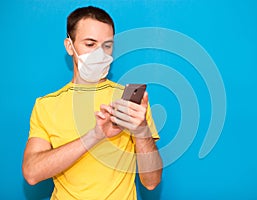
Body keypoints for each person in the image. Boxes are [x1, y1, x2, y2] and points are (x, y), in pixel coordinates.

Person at [22, 6, 162, 200]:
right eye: (90, 44)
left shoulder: (130, 102)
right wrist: (95, 136)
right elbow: (31, 173)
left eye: (107, 45)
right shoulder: (46, 105)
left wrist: (142, 130)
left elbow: (151, 181)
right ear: (69, 46)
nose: (100, 54)